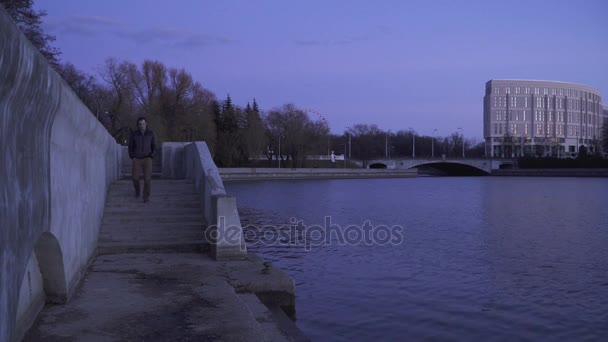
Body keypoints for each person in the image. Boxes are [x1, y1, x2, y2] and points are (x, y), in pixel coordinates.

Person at [128, 117, 156, 203]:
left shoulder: (150, 133)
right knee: (135, 178)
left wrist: (152, 155)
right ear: (138, 125)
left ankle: (145, 196)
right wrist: (132, 156)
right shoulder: (134, 134)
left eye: (143, 124)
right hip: (137, 159)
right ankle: (137, 191)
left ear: (146, 123)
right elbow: (130, 146)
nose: (142, 126)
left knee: (147, 179)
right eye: (140, 124)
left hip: (147, 158)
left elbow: (154, 146)